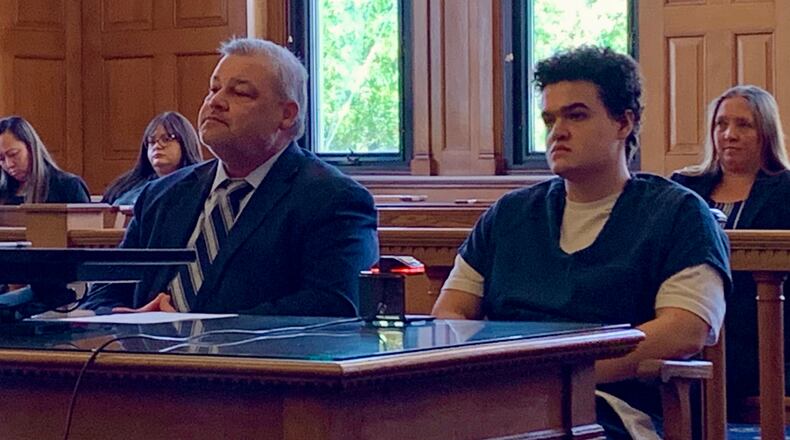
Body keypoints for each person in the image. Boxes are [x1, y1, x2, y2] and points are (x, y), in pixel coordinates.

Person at [431, 46, 731, 439]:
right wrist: (496, 374)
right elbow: (449, 312)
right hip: (498, 403)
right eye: (549, 119)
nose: (558, 131)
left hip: (611, 409)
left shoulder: (678, 214)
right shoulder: (510, 215)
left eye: (576, 115)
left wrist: (562, 377)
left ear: (624, 123)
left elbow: (684, 330)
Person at [81, 37, 379, 316]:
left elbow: (335, 305)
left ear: (286, 115)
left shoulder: (332, 199)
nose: (216, 102)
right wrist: (127, 319)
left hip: (256, 368)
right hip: (146, 363)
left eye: (240, 92)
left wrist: (197, 329)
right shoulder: (161, 196)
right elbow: (103, 294)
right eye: (213, 89)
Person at [671, 85, 790, 415]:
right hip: (689, 320)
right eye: (721, 124)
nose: (729, 134)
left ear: (765, 132)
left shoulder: (785, 190)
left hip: (759, 332)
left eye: (743, 125)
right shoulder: (684, 188)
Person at [102, 111, 203, 206]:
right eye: (152, 141)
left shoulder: (199, 187)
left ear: (185, 143)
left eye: (166, 139)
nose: (157, 146)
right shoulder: (127, 185)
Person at [0, 116, 90, 204]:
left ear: (31, 148)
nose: (9, 164)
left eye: (13, 154)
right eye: (1, 159)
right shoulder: (3, 191)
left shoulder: (69, 186)